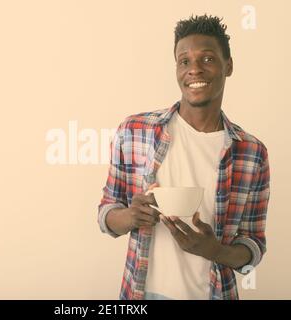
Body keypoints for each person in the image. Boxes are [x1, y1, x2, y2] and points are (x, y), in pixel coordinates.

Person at [97, 14, 270, 300]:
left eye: (208, 59)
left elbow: (252, 246)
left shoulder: (251, 153)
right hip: (142, 294)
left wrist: (215, 251)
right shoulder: (134, 130)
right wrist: (131, 216)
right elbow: (106, 214)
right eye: (184, 61)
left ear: (228, 66)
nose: (194, 70)